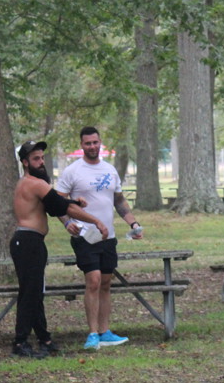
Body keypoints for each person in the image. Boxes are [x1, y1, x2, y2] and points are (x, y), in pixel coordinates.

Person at [12, 140, 108, 358]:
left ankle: (44, 339)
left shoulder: (29, 183)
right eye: (36, 159)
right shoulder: (34, 183)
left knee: (35, 292)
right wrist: (96, 221)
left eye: (42, 158)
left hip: (30, 242)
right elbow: (61, 206)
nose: (41, 162)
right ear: (25, 162)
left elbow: (55, 204)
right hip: (28, 242)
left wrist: (73, 202)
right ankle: (20, 342)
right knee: (30, 293)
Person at [57, 126, 143, 350]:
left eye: (95, 142)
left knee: (105, 283)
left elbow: (119, 201)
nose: (92, 146)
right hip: (85, 235)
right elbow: (58, 202)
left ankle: (105, 332)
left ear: (100, 142)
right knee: (93, 281)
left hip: (108, 237)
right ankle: (93, 333)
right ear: (82, 145)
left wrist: (133, 223)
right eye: (88, 143)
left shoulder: (110, 170)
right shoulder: (72, 171)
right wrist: (67, 222)